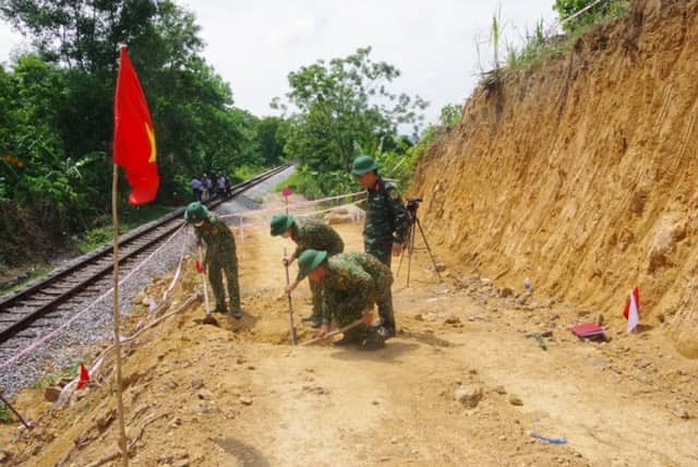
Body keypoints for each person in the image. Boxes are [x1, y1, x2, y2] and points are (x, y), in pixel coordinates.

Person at [351, 154, 410, 339]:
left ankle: (388, 326)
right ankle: (384, 320)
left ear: (371, 173)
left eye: (361, 177)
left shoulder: (387, 189)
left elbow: (403, 217)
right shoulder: (372, 190)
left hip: (382, 245)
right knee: (375, 283)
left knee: (381, 283)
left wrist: (399, 241)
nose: (359, 181)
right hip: (371, 245)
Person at [296, 249, 393, 350]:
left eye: (309, 274)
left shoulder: (340, 269)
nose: (309, 278)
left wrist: (368, 309)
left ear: (317, 269)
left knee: (352, 308)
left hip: (378, 279)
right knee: (339, 306)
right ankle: (351, 336)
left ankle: (374, 339)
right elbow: (327, 297)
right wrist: (326, 324)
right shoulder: (325, 273)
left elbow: (367, 281)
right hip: (355, 284)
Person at [270, 213, 345, 328]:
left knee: (322, 279)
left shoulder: (303, 232)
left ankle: (324, 316)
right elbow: (301, 247)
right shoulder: (296, 230)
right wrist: (291, 259)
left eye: (281, 233)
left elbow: (307, 265)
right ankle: (316, 313)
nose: (281, 236)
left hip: (332, 248)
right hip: (319, 247)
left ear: (287, 227)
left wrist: (294, 284)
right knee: (313, 280)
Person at [184, 202, 242, 319]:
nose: (196, 225)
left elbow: (213, 246)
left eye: (198, 223)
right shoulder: (196, 221)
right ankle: (221, 305)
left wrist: (204, 263)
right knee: (214, 278)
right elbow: (197, 230)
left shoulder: (215, 222)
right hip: (213, 252)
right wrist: (198, 239)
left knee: (231, 279)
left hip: (227, 251)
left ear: (203, 217)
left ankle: (235, 308)